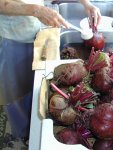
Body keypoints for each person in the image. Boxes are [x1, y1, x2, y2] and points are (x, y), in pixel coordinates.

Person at [0, 0, 101, 143]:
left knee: (35, 87)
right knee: (16, 90)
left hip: (39, 28)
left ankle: (32, 125)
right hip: (15, 35)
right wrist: (35, 10)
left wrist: (86, 4)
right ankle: (23, 133)